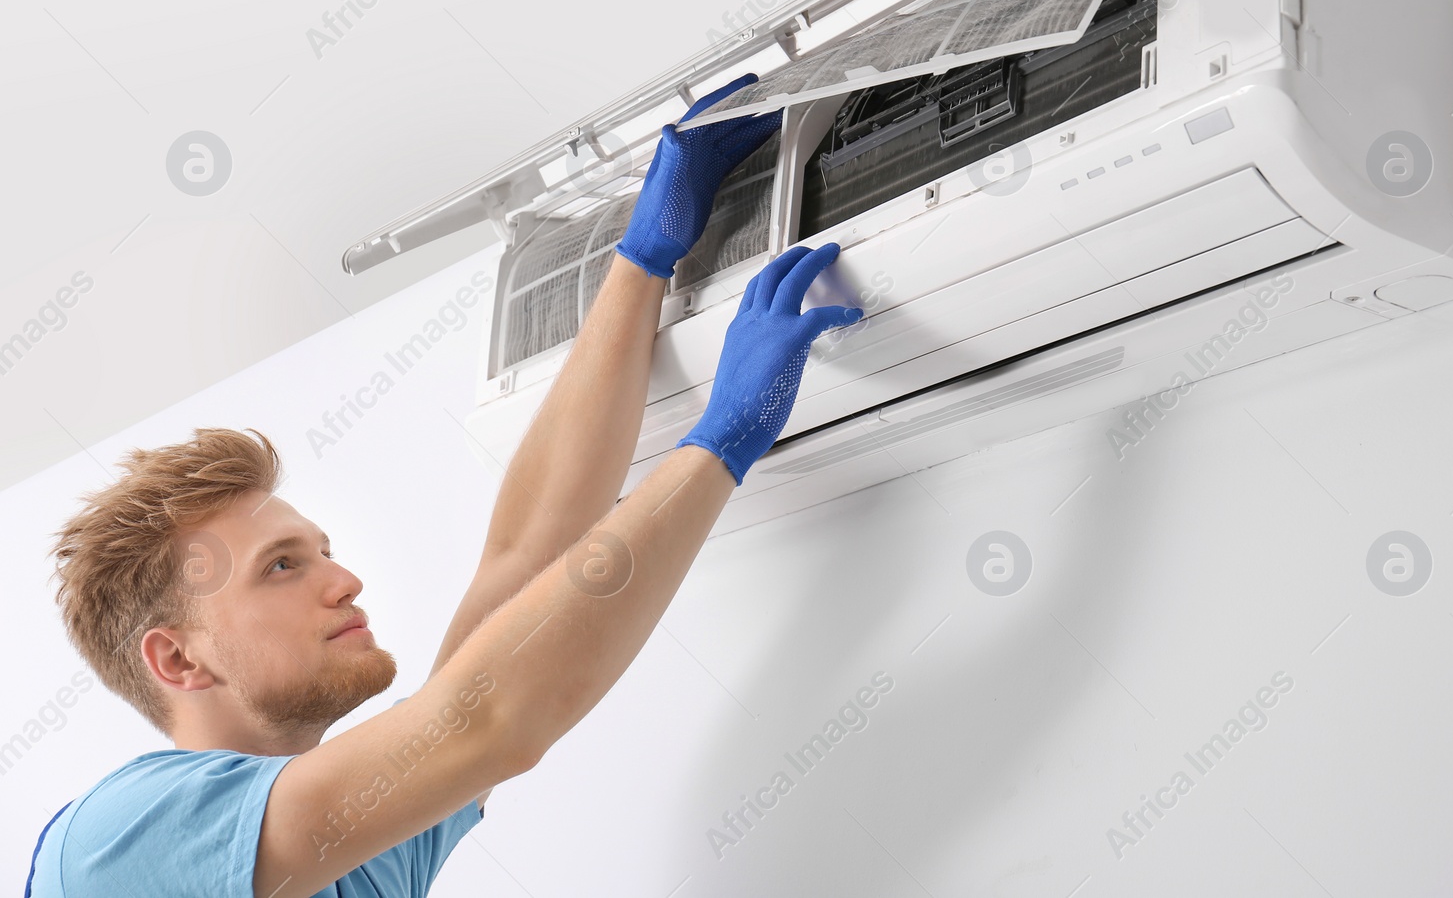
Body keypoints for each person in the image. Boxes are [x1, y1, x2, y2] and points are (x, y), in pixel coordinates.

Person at [24, 74, 864, 897]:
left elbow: (524, 558)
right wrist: (719, 442)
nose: (344, 579)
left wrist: (645, 257)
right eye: (280, 565)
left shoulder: (358, 852)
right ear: (177, 655)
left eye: (321, 552)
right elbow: (489, 720)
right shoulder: (116, 842)